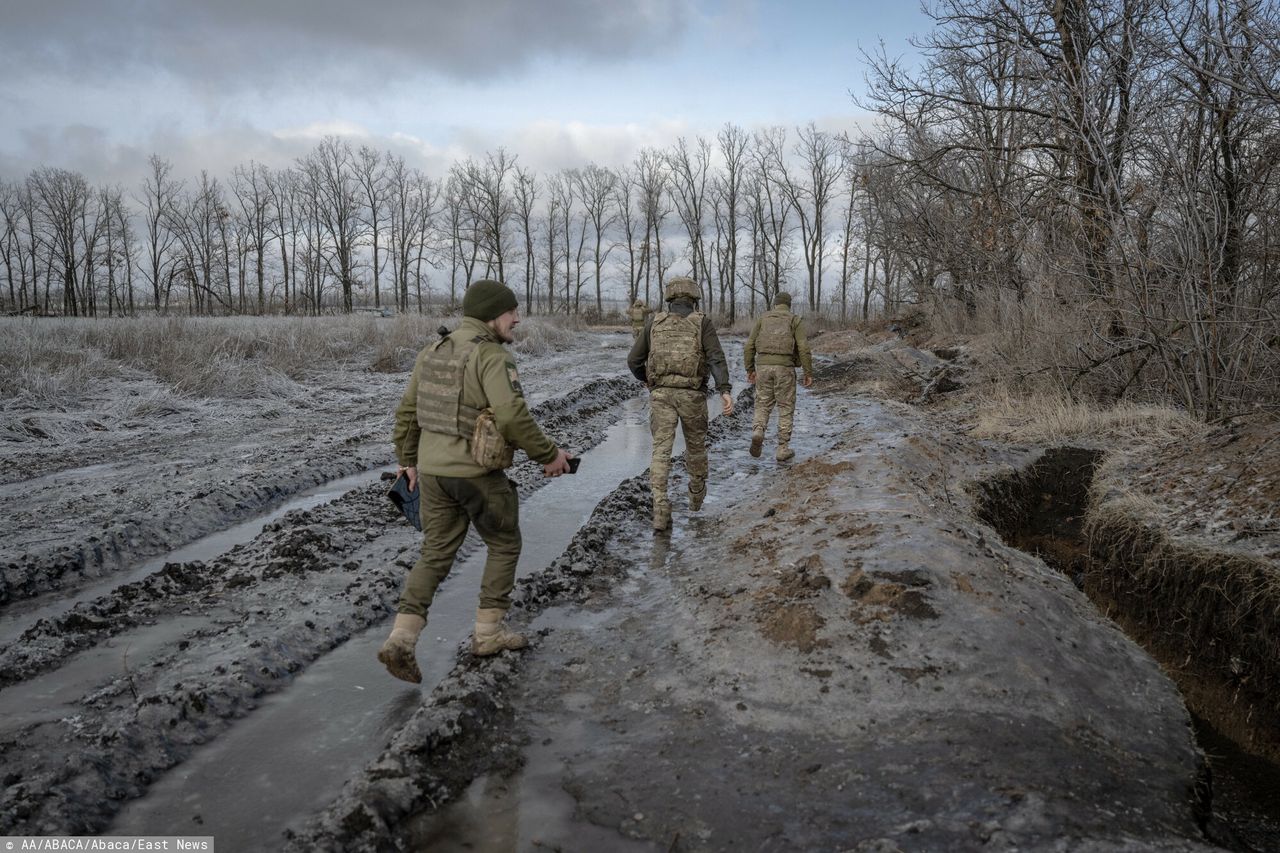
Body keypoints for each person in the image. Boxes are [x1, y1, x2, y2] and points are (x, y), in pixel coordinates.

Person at [379, 279, 572, 684]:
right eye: (511, 312)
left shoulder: (431, 352)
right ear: (491, 315)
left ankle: (401, 638)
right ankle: (488, 634)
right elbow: (512, 417)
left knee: (434, 554)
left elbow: (407, 413)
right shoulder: (490, 356)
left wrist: (407, 462)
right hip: (477, 475)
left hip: (432, 475)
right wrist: (551, 455)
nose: (517, 319)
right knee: (504, 543)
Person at [627, 276, 733, 531]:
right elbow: (716, 358)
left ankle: (660, 507)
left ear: (669, 298)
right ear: (694, 298)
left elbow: (633, 360)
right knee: (696, 448)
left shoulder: (654, 322)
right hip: (692, 396)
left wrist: (648, 381)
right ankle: (696, 498)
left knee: (660, 450)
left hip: (661, 396)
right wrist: (725, 390)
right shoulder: (702, 323)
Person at [744, 291, 813, 461]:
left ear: (775, 304)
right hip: (785, 369)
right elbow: (803, 347)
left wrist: (750, 369)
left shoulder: (762, 319)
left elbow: (749, 346)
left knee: (762, 403)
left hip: (763, 368)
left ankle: (758, 430)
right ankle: (782, 448)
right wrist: (807, 371)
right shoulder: (794, 319)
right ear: (789, 305)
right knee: (785, 406)